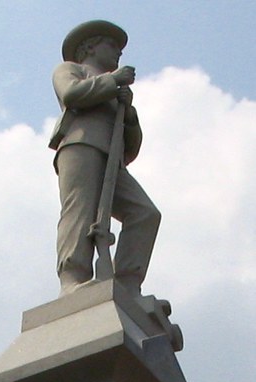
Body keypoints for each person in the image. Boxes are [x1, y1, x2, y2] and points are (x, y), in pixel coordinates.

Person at [50, 20, 161, 295]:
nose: (118, 52)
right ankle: (72, 277)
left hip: (114, 160)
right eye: (111, 45)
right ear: (89, 47)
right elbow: (71, 95)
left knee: (145, 213)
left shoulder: (118, 91)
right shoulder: (71, 70)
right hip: (81, 145)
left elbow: (130, 149)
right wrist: (112, 81)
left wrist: (131, 116)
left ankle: (127, 281)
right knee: (80, 209)